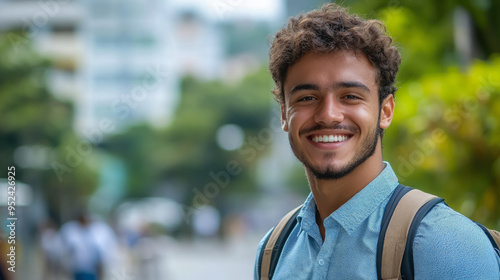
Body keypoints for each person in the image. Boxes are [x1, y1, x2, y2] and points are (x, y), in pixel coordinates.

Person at [254, 3, 500, 279]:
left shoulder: (446, 244)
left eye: (350, 96)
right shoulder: (273, 251)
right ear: (285, 115)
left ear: (385, 111)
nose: (328, 115)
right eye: (307, 98)